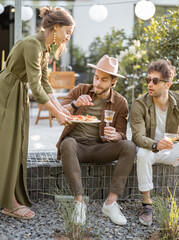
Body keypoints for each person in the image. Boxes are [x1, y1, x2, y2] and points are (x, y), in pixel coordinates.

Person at [0, 6, 75, 220]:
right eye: (67, 31)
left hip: (16, 91)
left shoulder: (44, 48)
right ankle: (9, 203)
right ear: (55, 27)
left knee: (14, 145)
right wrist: (55, 114)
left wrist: (60, 110)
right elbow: (36, 88)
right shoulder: (32, 45)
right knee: (5, 146)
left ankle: (8, 196)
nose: (68, 37)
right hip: (5, 92)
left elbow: (46, 84)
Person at [57, 55, 136, 226]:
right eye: (96, 77)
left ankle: (110, 203)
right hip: (77, 146)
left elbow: (122, 134)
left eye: (104, 79)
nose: (97, 83)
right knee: (67, 143)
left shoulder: (120, 103)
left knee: (129, 147)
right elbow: (59, 113)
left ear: (113, 82)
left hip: (101, 148)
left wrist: (117, 136)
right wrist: (75, 105)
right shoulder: (80, 90)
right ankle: (79, 204)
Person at [130, 59, 179, 226]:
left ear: (168, 85)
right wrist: (155, 144)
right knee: (142, 153)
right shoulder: (139, 104)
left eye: (155, 81)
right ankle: (147, 204)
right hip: (150, 148)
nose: (150, 84)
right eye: (148, 79)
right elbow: (138, 136)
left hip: (170, 148)